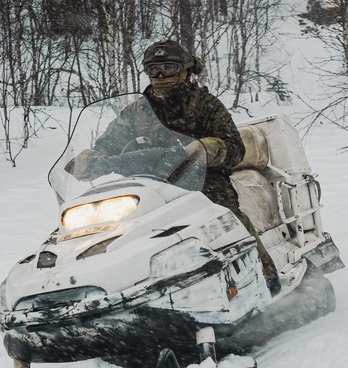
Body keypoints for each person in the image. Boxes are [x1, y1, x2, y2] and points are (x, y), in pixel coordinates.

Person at [74, 39, 281, 294]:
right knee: (111, 224)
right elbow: (110, 141)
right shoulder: (137, 110)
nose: (160, 75)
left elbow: (235, 147)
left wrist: (205, 148)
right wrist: (93, 158)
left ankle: (265, 275)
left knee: (226, 214)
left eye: (168, 68)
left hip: (202, 177)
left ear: (184, 70)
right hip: (149, 181)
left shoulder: (205, 104)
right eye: (153, 70)